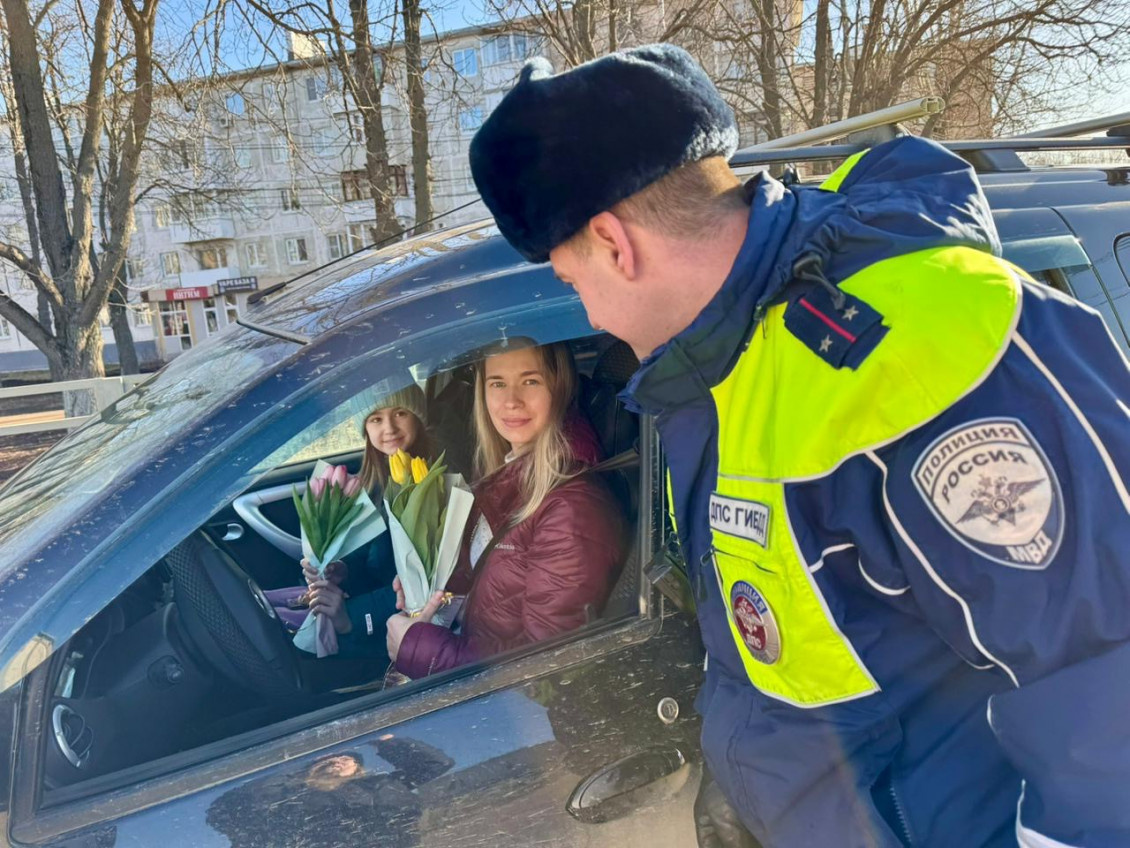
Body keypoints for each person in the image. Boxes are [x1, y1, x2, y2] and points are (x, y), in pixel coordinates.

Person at [467, 45, 1130, 848]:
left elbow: (1105, 685)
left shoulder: (927, 349)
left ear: (614, 244)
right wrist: (749, 779)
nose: (592, 318)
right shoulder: (722, 368)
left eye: (574, 285)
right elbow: (792, 630)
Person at [311, 341, 625, 678]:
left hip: (488, 695)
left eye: (531, 381)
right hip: (463, 669)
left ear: (559, 388)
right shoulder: (505, 480)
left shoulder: (573, 510)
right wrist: (431, 594)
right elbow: (488, 590)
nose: (511, 400)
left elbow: (549, 667)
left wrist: (422, 649)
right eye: (497, 383)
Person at [264, 385, 436, 632]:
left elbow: (423, 583)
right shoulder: (374, 481)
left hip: (396, 616)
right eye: (376, 419)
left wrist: (351, 618)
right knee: (265, 608)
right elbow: (372, 557)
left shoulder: (433, 483)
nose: (389, 428)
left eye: (400, 413)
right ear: (365, 428)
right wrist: (343, 571)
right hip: (368, 597)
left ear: (417, 417)